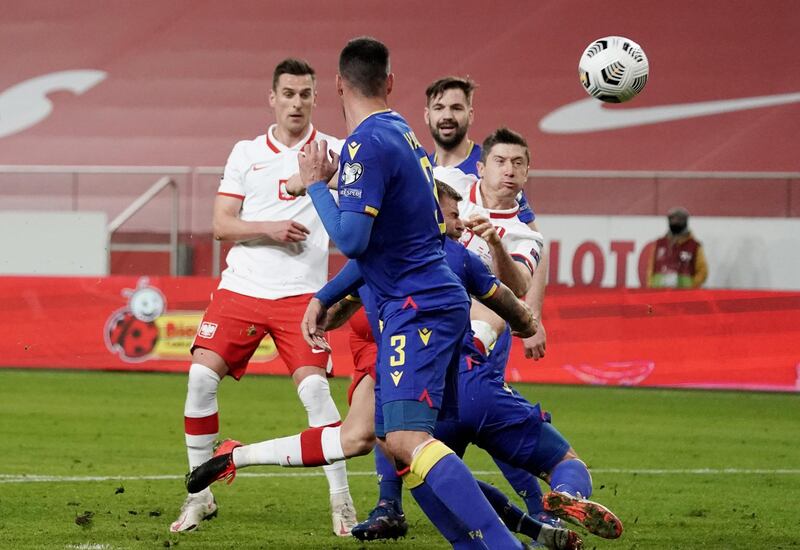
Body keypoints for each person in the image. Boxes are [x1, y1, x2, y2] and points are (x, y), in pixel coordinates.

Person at [185, 182, 583, 550]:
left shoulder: (436, 255)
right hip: (403, 365)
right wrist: (525, 322)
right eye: (451, 214)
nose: (459, 224)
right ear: (425, 214)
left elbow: (339, 295)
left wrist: (320, 307)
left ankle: (235, 456)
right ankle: (515, 537)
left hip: (430, 369)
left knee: (381, 447)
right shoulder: (417, 254)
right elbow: (339, 295)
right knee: (398, 448)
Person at [169, 58, 357, 536]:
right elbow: (220, 225)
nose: (297, 102)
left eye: (306, 94)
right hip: (243, 288)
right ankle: (199, 495)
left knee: (316, 393)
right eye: (288, 93)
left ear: (317, 98)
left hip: (302, 295)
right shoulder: (246, 152)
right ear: (271, 98)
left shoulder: (334, 151)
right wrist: (269, 228)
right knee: (198, 381)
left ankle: (342, 499)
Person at [646, 207, 708, 289]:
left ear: (685, 221)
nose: (675, 222)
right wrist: (651, 286)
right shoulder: (659, 244)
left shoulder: (694, 246)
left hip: (684, 295)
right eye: (672, 219)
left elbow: (703, 271)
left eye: (679, 219)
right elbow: (650, 268)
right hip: (659, 294)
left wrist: (691, 287)